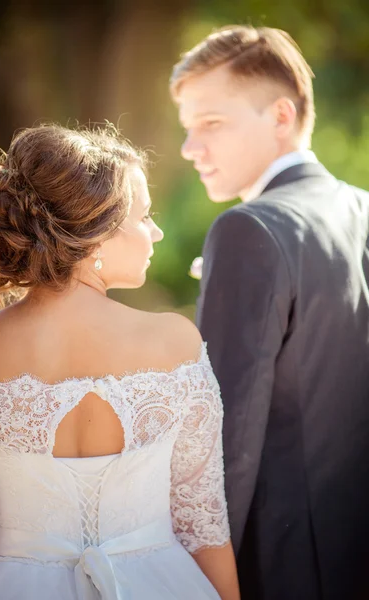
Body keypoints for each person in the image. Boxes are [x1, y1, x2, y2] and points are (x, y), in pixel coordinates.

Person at [0, 124, 240, 600]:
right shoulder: (174, 343)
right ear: (95, 238)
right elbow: (204, 524)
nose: (156, 231)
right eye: (145, 217)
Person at [171, 24, 369, 600]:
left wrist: (199, 581)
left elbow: (224, 431)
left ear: (281, 116)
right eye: (188, 129)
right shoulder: (360, 208)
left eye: (211, 124)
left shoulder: (248, 227)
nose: (190, 149)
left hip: (281, 566)